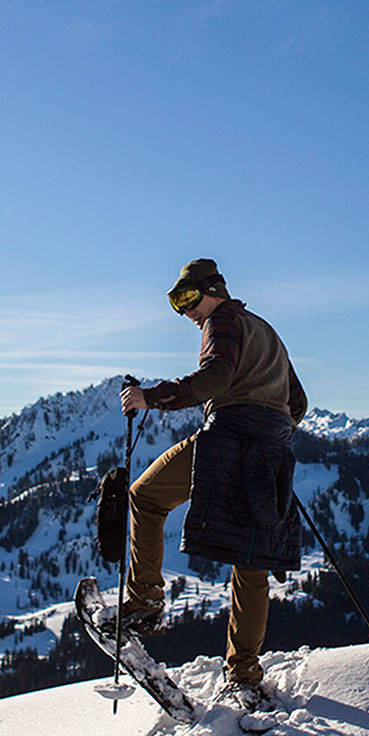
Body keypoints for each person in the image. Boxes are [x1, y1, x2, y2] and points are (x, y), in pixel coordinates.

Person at [119, 258, 307, 710]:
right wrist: (272, 432)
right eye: (175, 302)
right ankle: (243, 674)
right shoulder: (266, 330)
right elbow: (297, 401)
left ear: (212, 290)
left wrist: (151, 398)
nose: (185, 311)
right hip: (271, 451)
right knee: (252, 558)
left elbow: (216, 377)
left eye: (187, 298)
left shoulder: (221, 320)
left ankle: (145, 602)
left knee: (144, 496)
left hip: (228, 439)